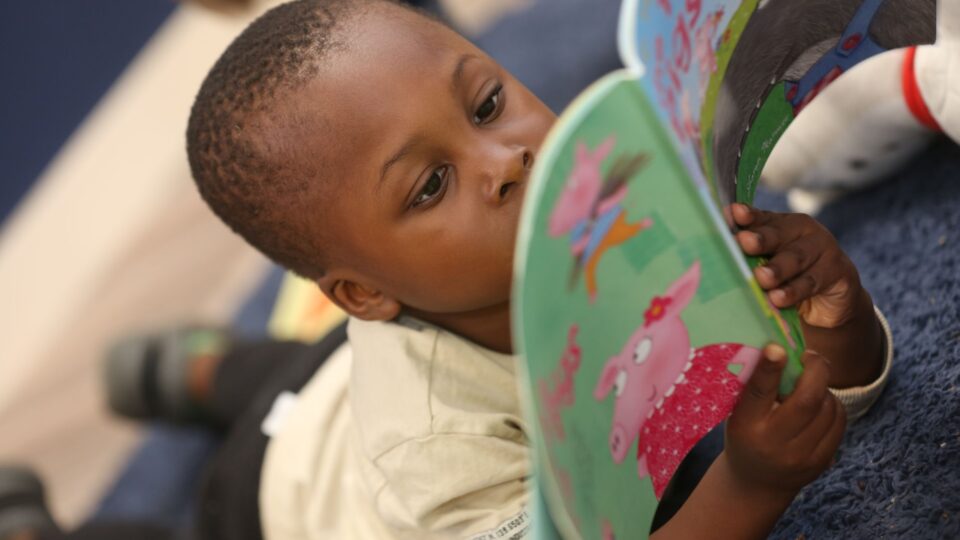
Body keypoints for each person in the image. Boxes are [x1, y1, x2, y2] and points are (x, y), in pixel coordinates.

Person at [0, 1, 894, 538]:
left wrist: (831, 316)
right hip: (279, 501)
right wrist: (751, 483)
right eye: (431, 185)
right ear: (363, 293)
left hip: (341, 371)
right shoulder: (434, 454)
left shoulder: (621, 202)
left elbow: (826, 388)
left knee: (291, 371)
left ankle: (200, 367)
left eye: (488, 100)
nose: (506, 158)